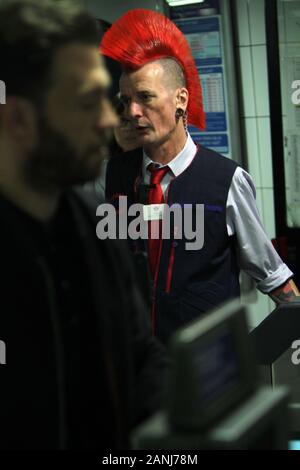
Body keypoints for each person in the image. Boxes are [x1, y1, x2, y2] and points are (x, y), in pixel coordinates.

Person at [0, 0, 168, 450]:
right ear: (18, 119)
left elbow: (140, 358)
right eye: (86, 102)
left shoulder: (97, 223)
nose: (110, 121)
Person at [101, 9, 299, 344]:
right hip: (137, 369)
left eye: (145, 97)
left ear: (181, 100)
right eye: (127, 100)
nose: (133, 112)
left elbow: (273, 276)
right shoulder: (115, 177)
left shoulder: (225, 180)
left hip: (208, 372)